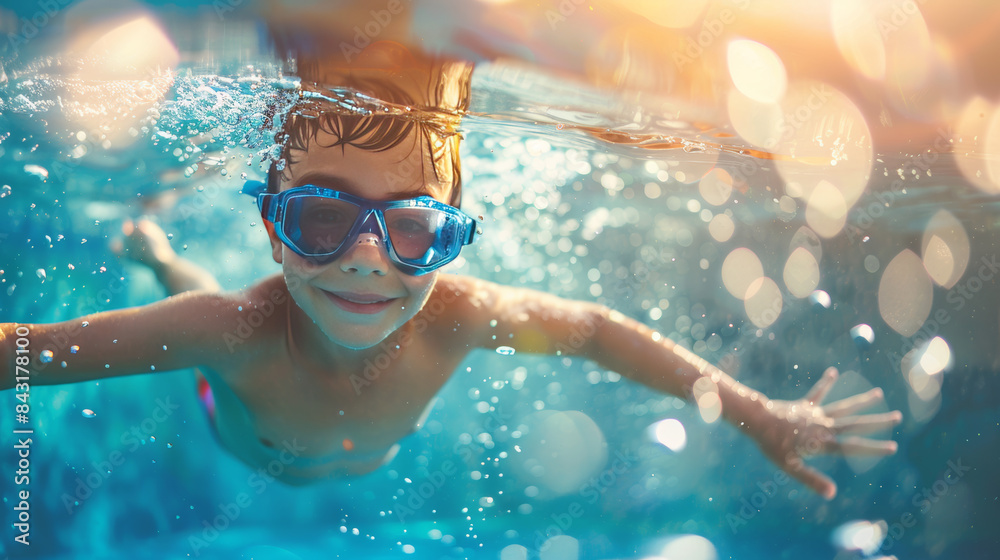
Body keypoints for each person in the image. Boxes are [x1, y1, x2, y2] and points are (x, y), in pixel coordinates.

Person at [0, 43, 901, 497]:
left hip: (349, 452)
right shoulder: (236, 329)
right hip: (236, 432)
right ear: (273, 230)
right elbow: (26, 352)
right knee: (199, 308)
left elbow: (593, 330)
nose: (365, 256)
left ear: (457, 235)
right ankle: (156, 249)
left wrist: (755, 414)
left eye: (416, 230)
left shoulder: (459, 314)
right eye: (319, 219)